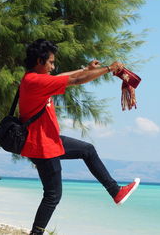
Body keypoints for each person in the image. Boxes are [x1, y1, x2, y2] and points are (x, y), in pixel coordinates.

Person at [19, 39, 140, 235]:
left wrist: (85, 68)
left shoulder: (34, 78)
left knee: (87, 150)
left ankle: (115, 192)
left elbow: (63, 76)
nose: (53, 66)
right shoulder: (35, 81)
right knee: (53, 195)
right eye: (50, 62)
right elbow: (74, 81)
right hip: (42, 146)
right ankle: (36, 233)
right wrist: (110, 68)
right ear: (39, 61)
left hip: (49, 140)